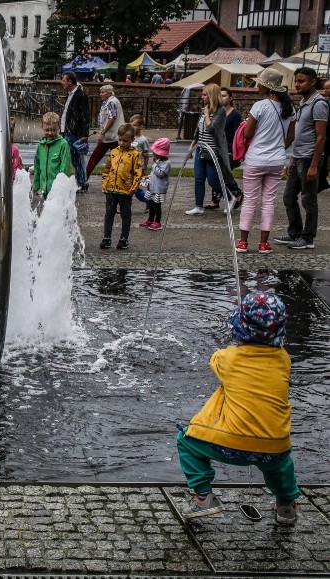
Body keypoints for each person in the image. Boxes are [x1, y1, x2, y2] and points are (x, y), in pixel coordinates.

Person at [177, 291, 299, 526]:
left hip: (228, 445)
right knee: (280, 466)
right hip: (274, 445)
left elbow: (216, 360)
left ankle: (204, 496)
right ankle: (286, 505)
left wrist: (234, 347)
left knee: (186, 441)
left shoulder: (229, 358)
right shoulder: (284, 360)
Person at [237, 69, 294, 254]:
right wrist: (277, 147)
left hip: (255, 159)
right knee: (268, 201)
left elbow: (247, 133)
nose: (257, 86)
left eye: (259, 83)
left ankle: (243, 242)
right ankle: (263, 244)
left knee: (249, 201)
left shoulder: (259, 106)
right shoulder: (290, 108)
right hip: (276, 160)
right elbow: (291, 137)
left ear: (268, 87)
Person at [275, 67, 328, 251]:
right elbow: (298, 134)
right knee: (289, 196)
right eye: (296, 81)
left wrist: (314, 165)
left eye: (301, 81)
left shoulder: (318, 104)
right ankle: (295, 233)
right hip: (298, 157)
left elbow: (321, 137)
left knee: (308, 199)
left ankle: (308, 238)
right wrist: (290, 159)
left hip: (309, 159)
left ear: (313, 82)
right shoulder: (303, 102)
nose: (297, 84)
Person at [185, 84, 239, 216]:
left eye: (204, 94)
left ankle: (230, 198)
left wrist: (207, 114)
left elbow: (211, 129)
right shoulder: (206, 109)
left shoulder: (220, 112)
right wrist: (192, 146)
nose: (202, 97)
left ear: (211, 96)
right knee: (198, 179)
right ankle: (198, 206)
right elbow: (199, 129)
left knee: (213, 180)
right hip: (201, 149)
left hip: (213, 152)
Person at [99, 123, 142, 250]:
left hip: (125, 191)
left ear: (132, 140)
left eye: (125, 141)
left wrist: (133, 189)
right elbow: (107, 170)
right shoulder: (113, 152)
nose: (122, 143)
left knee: (126, 215)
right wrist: (104, 184)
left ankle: (124, 238)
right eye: (120, 140)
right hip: (111, 189)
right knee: (109, 214)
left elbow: (137, 173)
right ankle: (107, 237)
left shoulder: (135, 154)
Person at [60, 72, 91, 193]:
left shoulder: (80, 95)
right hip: (67, 131)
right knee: (72, 158)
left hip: (75, 132)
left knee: (76, 158)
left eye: (63, 80)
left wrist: (84, 134)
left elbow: (85, 115)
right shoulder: (70, 94)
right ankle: (80, 181)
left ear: (70, 82)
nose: (62, 82)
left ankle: (82, 183)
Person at [86, 85, 124, 183]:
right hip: (111, 136)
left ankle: (84, 179)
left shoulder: (111, 102)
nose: (100, 94)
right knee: (115, 159)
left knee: (96, 157)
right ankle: (117, 180)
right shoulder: (108, 102)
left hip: (111, 136)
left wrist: (103, 132)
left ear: (109, 93)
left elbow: (112, 117)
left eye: (103, 92)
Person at [32, 112, 72, 197]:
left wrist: (62, 187)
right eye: (47, 130)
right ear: (42, 127)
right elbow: (37, 167)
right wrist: (36, 185)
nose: (50, 133)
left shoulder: (63, 144)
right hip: (45, 189)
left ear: (59, 128)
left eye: (53, 130)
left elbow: (65, 168)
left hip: (57, 190)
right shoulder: (41, 145)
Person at [138, 138, 170, 231]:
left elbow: (160, 173)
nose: (154, 154)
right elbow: (154, 173)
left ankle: (158, 221)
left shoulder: (166, 163)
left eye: (156, 152)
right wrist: (149, 176)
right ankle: (150, 219)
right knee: (151, 204)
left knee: (157, 205)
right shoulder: (158, 161)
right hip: (152, 187)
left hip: (159, 189)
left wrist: (154, 165)